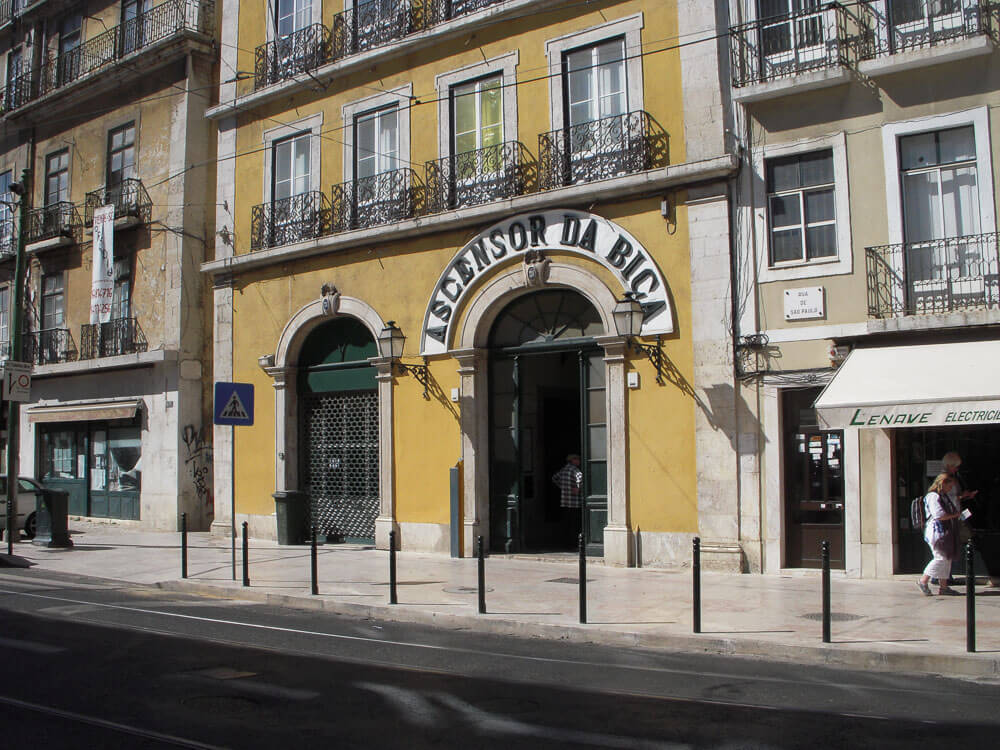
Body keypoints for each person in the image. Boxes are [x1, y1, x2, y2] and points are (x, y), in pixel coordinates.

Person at [917, 473, 963, 596]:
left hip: (944, 530)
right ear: (943, 483)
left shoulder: (943, 496)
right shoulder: (933, 496)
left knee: (947, 558)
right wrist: (955, 515)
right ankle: (923, 580)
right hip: (937, 531)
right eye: (950, 486)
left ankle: (944, 587)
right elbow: (939, 515)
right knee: (940, 558)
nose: (950, 489)